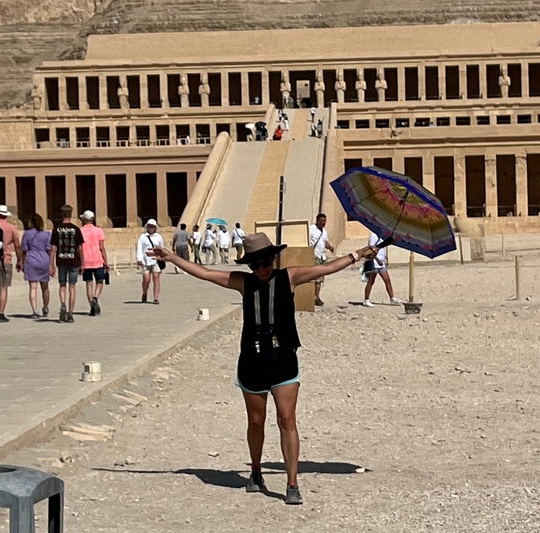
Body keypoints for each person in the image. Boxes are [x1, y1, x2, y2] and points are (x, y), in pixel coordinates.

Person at [148, 232, 377, 505]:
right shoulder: (243, 282)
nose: (262, 269)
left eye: (266, 262)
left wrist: (358, 254)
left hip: (283, 358)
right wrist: (172, 257)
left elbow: (326, 267)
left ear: (273, 258)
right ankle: (256, 471)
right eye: (255, 264)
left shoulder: (288, 277)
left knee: (286, 418)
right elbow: (206, 273)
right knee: (256, 421)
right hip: (253, 360)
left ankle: (292, 482)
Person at [49, 205, 84, 323]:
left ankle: (63, 304)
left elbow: (53, 249)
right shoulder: (76, 229)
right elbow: (80, 249)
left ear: (62, 214)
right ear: (71, 214)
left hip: (61, 260)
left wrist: (51, 265)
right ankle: (70, 312)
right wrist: (82, 263)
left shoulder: (56, 229)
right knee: (72, 287)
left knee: (62, 285)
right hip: (74, 260)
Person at [21, 213, 52, 319]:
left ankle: (35, 310)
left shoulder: (27, 234)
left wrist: (21, 262)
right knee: (45, 287)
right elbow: (49, 249)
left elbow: (24, 250)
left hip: (32, 259)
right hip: (44, 259)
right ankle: (46, 307)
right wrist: (51, 263)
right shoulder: (47, 234)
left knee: (33, 287)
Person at [361, 232, 403, 306]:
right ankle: (366, 299)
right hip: (374, 262)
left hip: (381, 263)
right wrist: (377, 259)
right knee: (371, 281)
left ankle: (392, 298)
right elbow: (371, 249)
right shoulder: (373, 236)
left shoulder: (382, 235)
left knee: (387, 280)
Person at [80, 210, 109, 316]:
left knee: (89, 283)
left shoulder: (80, 231)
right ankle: (95, 297)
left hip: (86, 260)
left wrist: (80, 262)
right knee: (100, 282)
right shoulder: (99, 230)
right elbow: (102, 247)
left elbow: (79, 249)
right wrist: (106, 261)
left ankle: (92, 306)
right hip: (98, 259)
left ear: (84, 219)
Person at [136, 218, 165, 304]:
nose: (151, 228)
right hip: (145, 260)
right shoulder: (143, 237)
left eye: (152, 227)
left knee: (156, 278)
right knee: (146, 279)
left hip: (156, 260)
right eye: (149, 226)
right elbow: (139, 248)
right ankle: (144, 293)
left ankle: (156, 298)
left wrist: (161, 257)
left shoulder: (158, 237)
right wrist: (139, 258)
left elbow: (162, 248)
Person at [309, 213, 335, 307]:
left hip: (322, 256)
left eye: (325, 221)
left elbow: (324, 242)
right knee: (317, 278)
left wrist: (330, 247)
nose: (323, 223)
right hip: (314, 255)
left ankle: (316, 296)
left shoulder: (324, 231)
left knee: (320, 278)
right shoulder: (311, 229)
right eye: (322, 221)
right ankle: (316, 297)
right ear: (317, 221)